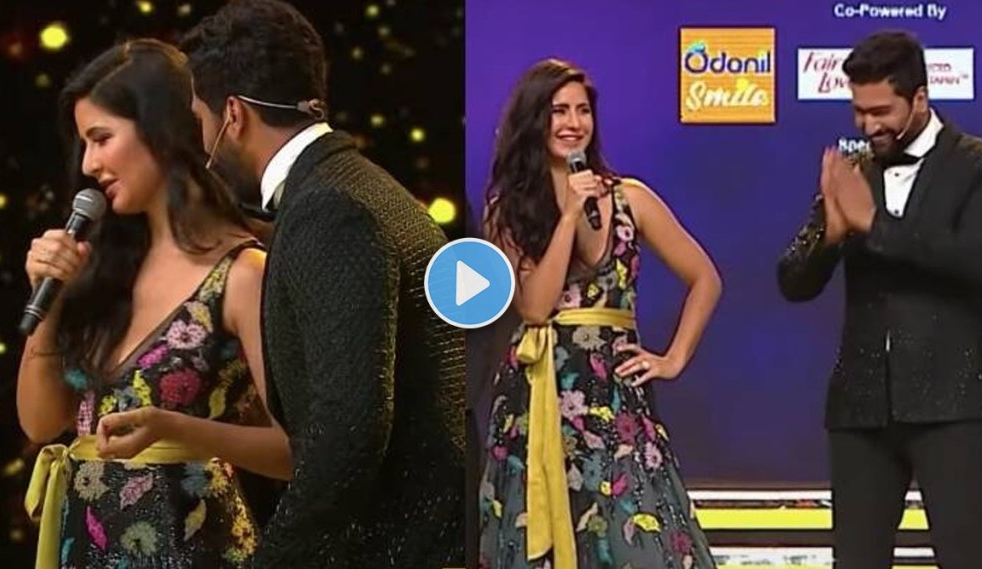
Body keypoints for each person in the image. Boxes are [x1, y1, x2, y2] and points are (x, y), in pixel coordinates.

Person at [180, 1, 466, 567]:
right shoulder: (357, 186)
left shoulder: (329, 209)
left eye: (200, 122)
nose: (202, 144)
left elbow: (347, 433)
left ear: (233, 114)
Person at [17, 39, 291, 568]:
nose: (90, 164)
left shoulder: (243, 273)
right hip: (87, 545)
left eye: (102, 139)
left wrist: (177, 430)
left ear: (160, 131)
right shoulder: (99, 267)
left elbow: (297, 452)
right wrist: (48, 302)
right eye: (84, 145)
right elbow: (39, 423)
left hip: (195, 548)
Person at [477, 58, 722, 569]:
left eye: (582, 110)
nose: (573, 122)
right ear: (534, 120)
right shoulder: (507, 211)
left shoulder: (632, 198)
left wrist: (673, 358)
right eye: (558, 110)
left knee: (639, 532)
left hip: (615, 395)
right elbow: (535, 306)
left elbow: (705, 278)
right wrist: (569, 215)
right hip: (538, 394)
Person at [778, 30, 982, 569]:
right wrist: (831, 235)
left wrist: (873, 224)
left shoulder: (974, 165)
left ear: (920, 98)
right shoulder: (855, 175)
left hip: (955, 403)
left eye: (881, 111)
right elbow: (793, 281)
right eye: (858, 112)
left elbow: (970, 259)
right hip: (861, 408)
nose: (868, 126)